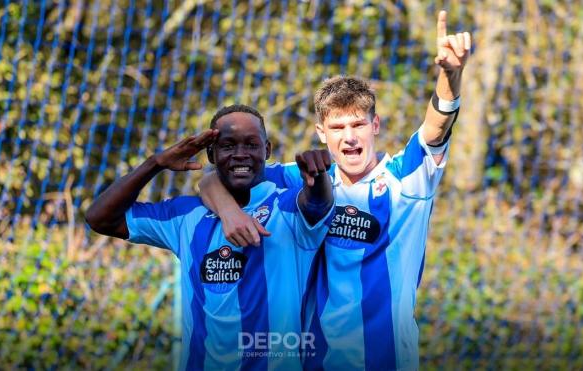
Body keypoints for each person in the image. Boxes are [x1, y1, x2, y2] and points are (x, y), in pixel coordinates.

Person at [199, 11, 471, 370]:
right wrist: (230, 211)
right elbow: (213, 176)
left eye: (359, 124)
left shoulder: (407, 178)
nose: (350, 136)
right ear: (321, 132)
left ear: (375, 125)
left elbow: (435, 128)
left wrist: (450, 76)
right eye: (338, 126)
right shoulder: (307, 177)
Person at [85, 104, 335, 370]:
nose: (240, 155)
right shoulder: (184, 216)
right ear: (211, 153)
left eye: (251, 145)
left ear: (267, 150)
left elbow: (317, 202)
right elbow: (100, 218)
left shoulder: (287, 207)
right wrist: (155, 163)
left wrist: (317, 177)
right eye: (228, 146)